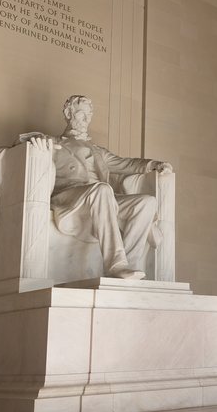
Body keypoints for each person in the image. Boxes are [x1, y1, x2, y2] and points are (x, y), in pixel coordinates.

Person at [24, 95, 172, 281]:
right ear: (69, 114)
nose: (86, 120)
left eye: (89, 115)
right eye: (81, 114)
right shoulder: (53, 142)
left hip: (102, 197)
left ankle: (129, 263)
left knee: (146, 202)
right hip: (69, 196)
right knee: (102, 189)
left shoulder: (99, 151)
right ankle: (115, 265)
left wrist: (154, 164)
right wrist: (34, 141)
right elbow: (18, 145)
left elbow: (126, 164)